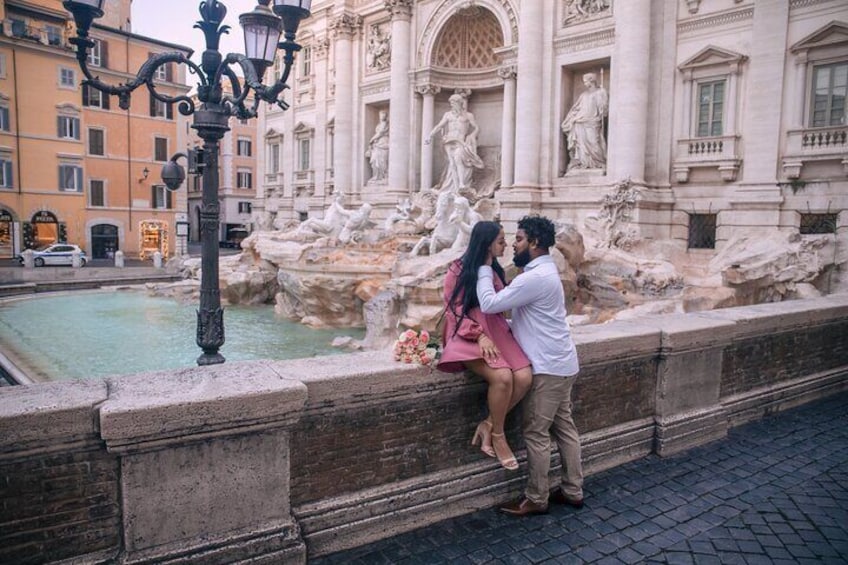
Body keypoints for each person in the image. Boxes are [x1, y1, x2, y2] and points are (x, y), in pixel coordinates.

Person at [476, 215, 584, 516]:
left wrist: (484, 266)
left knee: (536, 433)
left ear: (535, 243)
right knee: (564, 428)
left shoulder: (533, 278)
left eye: (520, 238)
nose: (514, 242)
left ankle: (537, 498)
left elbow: (488, 303)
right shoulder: (546, 274)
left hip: (548, 368)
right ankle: (573, 490)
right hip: (564, 362)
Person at [437, 221, 533, 471]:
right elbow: (454, 311)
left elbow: (502, 301)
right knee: (502, 378)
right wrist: (478, 335)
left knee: (523, 377)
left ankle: (488, 424)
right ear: (487, 243)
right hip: (470, 334)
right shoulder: (457, 269)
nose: (506, 245)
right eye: (501, 241)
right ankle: (499, 437)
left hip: (497, 331)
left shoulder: (495, 269)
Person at [425, 93, 484, 193]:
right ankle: (456, 188)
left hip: (460, 141)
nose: (452, 105)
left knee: (458, 157)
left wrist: (472, 135)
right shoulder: (447, 115)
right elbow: (439, 126)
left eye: (453, 103)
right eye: (451, 103)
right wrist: (430, 136)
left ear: (459, 103)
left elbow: (477, 128)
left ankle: (462, 183)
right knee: (452, 163)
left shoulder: (468, 115)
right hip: (449, 140)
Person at [561, 72, 609, 171]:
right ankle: (583, 162)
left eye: (585, 81)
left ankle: (598, 162)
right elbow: (576, 108)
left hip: (593, 121)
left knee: (594, 142)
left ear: (591, 80)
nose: (585, 83)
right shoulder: (583, 95)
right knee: (581, 144)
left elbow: (604, 108)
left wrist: (603, 108)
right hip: (580, 121)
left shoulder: (601, 91)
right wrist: (572, 118)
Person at [367, 110, 389, 183]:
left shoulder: (385, 124)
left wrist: (372, 139)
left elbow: (380, 133)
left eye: (384, 114)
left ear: (386, 116)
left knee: (382, 160)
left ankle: (384, 176)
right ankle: (376, 176)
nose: (382, 116)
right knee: (374, 160)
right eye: (381, 114)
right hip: (377, 144)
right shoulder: (379, 124)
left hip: (383, 142)